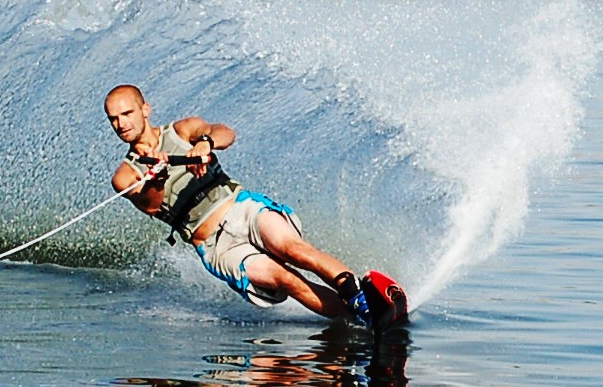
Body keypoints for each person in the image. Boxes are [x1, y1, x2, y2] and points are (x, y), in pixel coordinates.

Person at [105, 84, 407, 324]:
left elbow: (226, 132)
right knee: (285, 279)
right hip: (214, 244)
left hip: (240, 207)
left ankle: (359, 295)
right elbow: (151, 205)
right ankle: (360, 318)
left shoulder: (183, 130)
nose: (121, 124)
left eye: (127, 114)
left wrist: (205, 143)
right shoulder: (126, 174)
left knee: (292, 249)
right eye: (113, 119)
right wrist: (156, 179)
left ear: (145, 110)